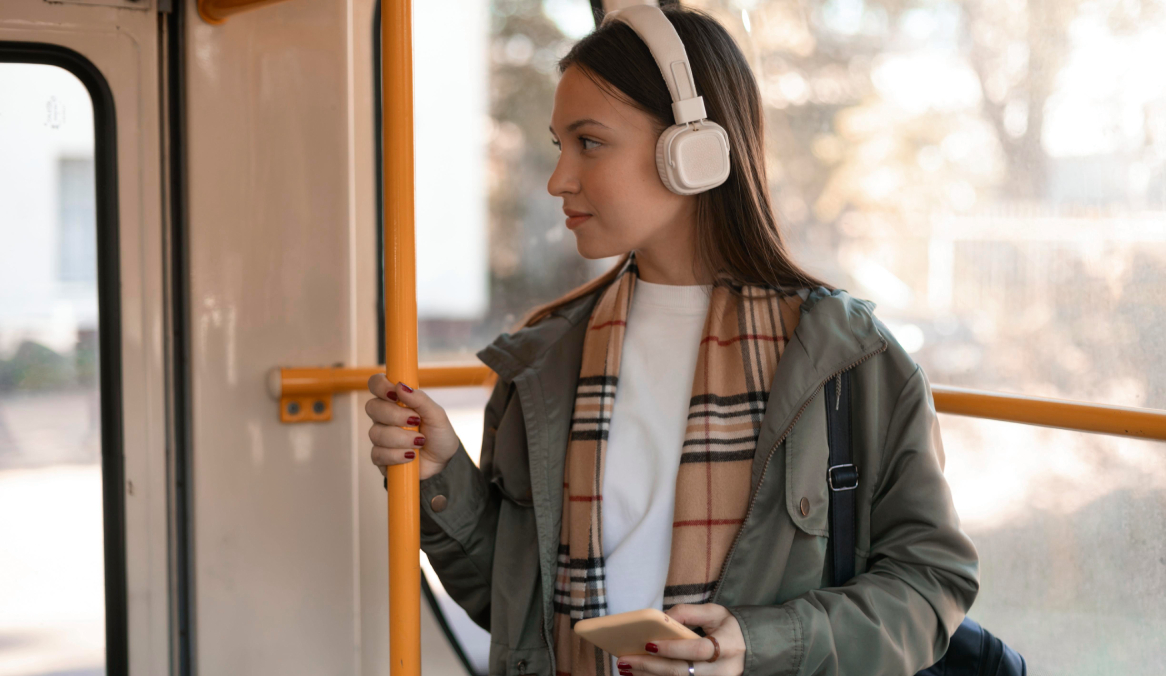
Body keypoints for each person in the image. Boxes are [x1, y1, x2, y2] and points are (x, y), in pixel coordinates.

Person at [364, 6, 978, 676]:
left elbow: (930, 586)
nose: (557, 180)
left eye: (589, 143)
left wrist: (757, 647)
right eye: (557, 146)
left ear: (693, 152)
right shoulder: (541, 361)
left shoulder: (848, 359)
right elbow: (518, 611)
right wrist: (443, 476)